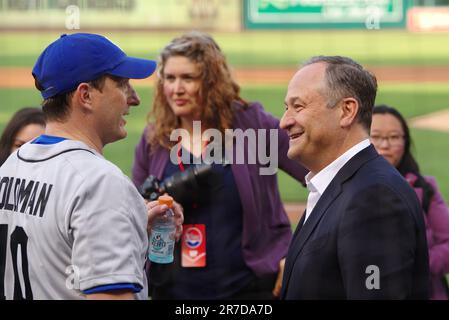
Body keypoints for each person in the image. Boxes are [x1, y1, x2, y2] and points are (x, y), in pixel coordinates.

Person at [0, 33, 183, 300]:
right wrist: (115, 211)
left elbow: (53, 252)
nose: (134, 98)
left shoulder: (11, 167)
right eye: (122, 85)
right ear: (85, 95)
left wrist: (129, 224)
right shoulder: (100, 183)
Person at [132, 31, 308, 300]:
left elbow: (322, 174)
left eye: (188, 78)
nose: (176, 88)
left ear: (212, 81)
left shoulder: (253, 126)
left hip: (247, 290)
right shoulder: (155, 139)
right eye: (169, 78)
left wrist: (297, 253)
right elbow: (134, 215)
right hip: (174, 291)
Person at [279, 55, 429, 299]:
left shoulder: (374, 197)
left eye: (298, 106)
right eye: (287, 108)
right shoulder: (343, 185)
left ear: (346, 111)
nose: (284, 121)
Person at [371, 104, 449, 300]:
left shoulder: (425, 187)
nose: (385, 145)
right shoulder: (346, 188)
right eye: (376, 136)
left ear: (405, 141)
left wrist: (416, 267)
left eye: (394, 137)